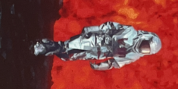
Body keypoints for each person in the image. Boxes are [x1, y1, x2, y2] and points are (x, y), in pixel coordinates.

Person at [33, 22, 161, 70]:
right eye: (146, 45)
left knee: (67, 56)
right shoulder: (129, 31)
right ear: (145, 38)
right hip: (96, 40)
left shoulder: (133, 56)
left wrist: (100, 66)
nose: (143, 49)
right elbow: (109, 27)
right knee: (66, 46)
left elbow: (114, 63)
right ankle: (42, 47)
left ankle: (47, 45)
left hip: (98, 53)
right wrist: (93, 29)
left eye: (147, 50)